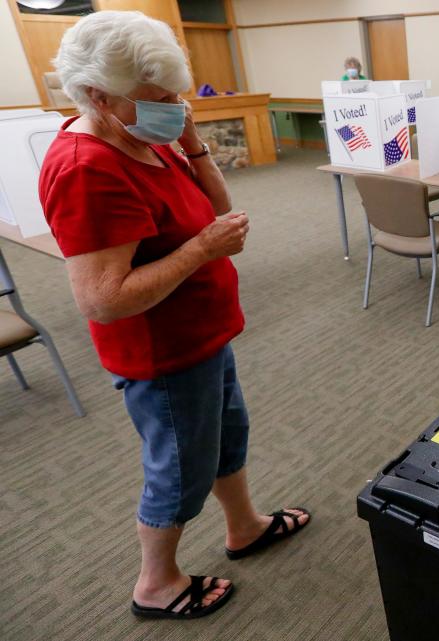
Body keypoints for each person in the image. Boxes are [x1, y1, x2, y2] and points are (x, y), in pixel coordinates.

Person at [39, 11, 310, 620]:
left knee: (226, 436)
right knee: (181, 469)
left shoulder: (142, 138)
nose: (174, 107)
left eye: (176, 95)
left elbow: (216, 208)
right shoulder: (87, 168)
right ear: (98, 97)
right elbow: (102, 299)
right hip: (162, 353)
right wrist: (201, 251)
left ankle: (244, 526)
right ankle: (155, 583)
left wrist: (191, 142)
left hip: (203, 332)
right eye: (159, 100)